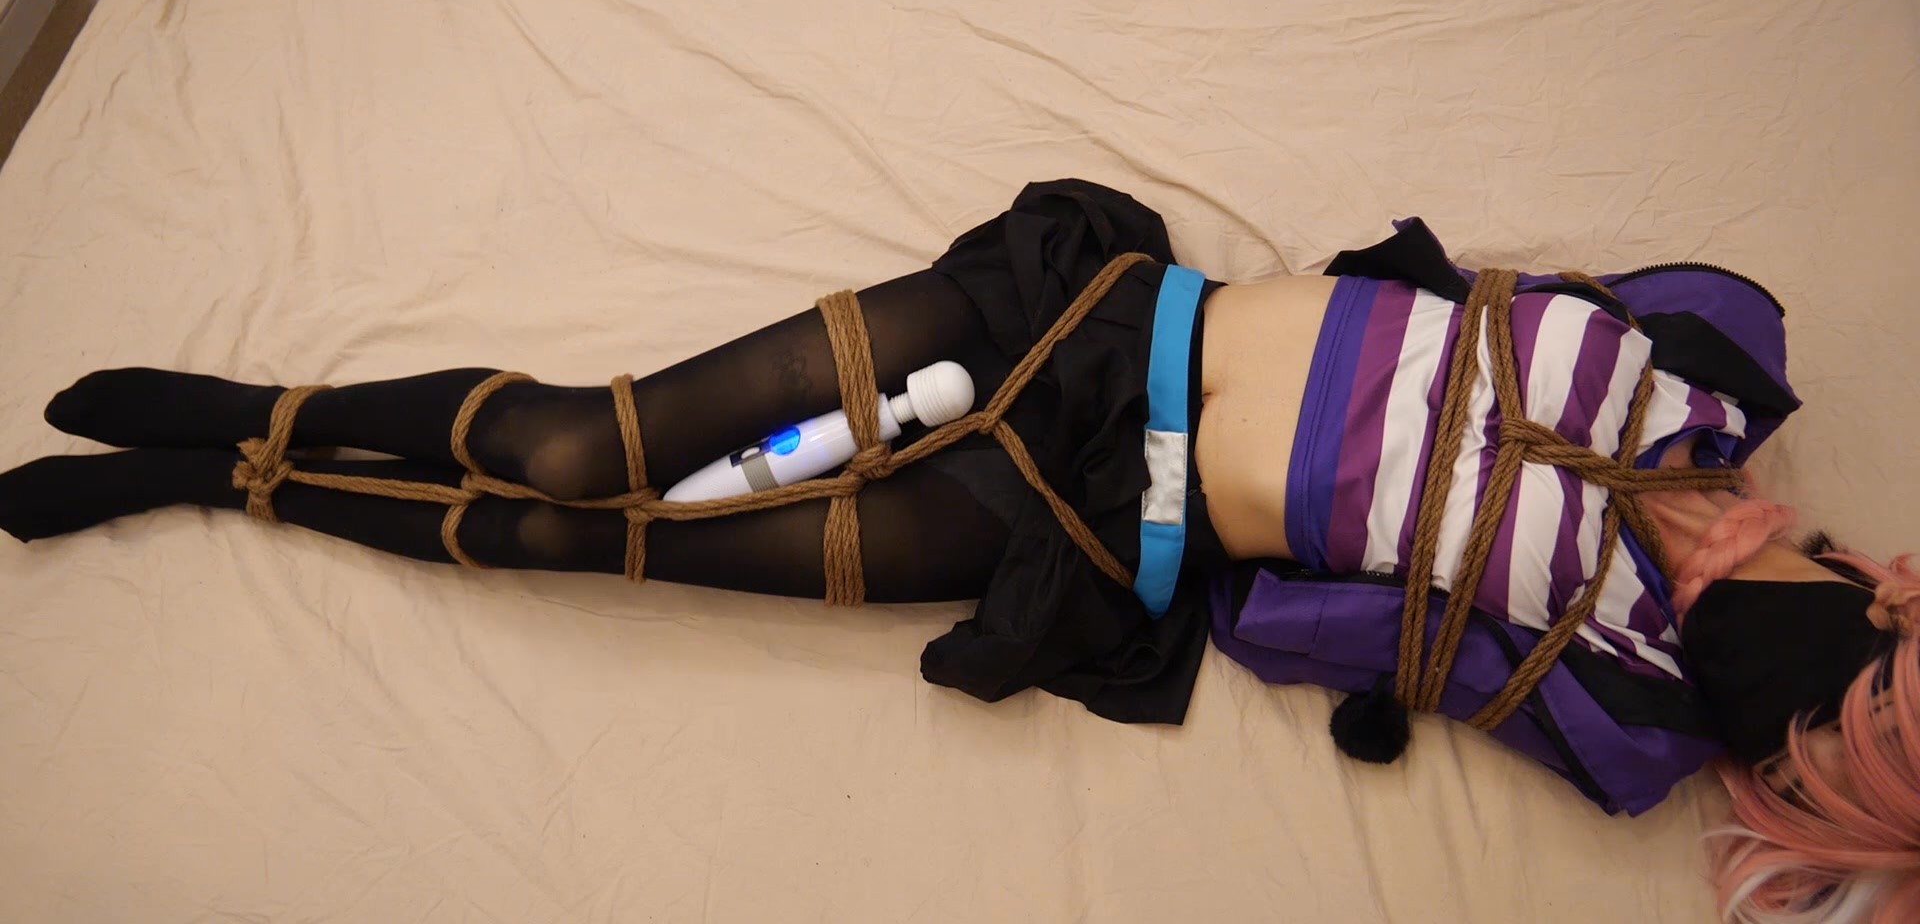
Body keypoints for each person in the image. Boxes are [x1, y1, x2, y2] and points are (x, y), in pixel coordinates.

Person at [0, 180, 1911, 919]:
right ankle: (251, 411)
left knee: (605, 547)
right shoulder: (1710, 367)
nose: (1809, 690)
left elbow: (1319, 638)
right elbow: (1509, 283)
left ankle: (226, 488)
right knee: (592, 446)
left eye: (1832, 730)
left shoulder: (1632, 699)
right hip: (1072, 319)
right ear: (1878, 586)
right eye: (1871, 665)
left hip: (1090, 515)